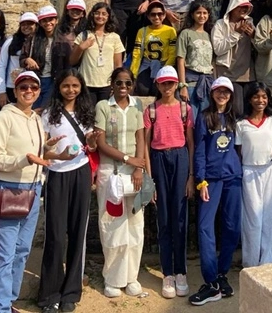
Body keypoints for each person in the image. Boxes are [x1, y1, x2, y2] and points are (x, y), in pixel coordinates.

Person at [0, 71, 62, 313]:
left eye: (33, 87)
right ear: (15, 90)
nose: (28, 91)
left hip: (33, 188)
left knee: (22, 251)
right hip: (9, 188)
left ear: (39, 91)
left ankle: (8, 300)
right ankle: (0, 307)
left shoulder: (36, 120)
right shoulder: (3, 118)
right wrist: (25, 160)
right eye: (23, 87)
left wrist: (47, 147)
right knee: (6, 253)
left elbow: (35, 154)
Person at [38, 70, 98, 313]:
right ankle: (49, 294)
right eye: (66, 85)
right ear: (58, 87)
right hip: (57, 174)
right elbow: (42, 150)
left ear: (81, 87)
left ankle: (71, 293)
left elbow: (91, 145)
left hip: (81, 173)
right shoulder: (48, 114)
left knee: (77, 232)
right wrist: (56, 154)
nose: (71, 90)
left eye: (75, 86)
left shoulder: (86, 112)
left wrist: (92, 143)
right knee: (54, 234)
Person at [95, 67, 148, 298]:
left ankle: (131, 277)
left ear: (132, 85)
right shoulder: (103, 107)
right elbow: (101, 143)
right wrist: (128, 159)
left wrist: (138, 167)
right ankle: (113, 278)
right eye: (119, 82)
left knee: (135, 225)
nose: (123, 87)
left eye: (128, 83)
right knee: (112, 224)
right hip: (111, 171)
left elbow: (140, 138)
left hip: (133, 172)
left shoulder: (137, 106)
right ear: (112, 84)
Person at [143, 66, 195, 300]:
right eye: (163, 83)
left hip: (180, 158)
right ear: (157, 84)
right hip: (159, 159)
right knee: (163, 218)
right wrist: (149, 178)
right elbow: (146, 145)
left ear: (176, 84)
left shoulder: (185, 109)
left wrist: (191, 176)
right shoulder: (151, 110)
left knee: (180, 217)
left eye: (171, 83)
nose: (167, 87)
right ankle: (167, 273)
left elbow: (191, 143)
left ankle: (181, 271)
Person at [190, 77, 242, 306]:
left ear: (231, 95)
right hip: (210, 179)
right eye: (219, 91)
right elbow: (200, 150)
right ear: (212, 93)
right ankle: (211, 281)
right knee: (205, 227)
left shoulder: (234, 118)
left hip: (233, 178)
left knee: (232, 227)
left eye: (226, 92)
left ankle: (221, 273)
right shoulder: (204, 117)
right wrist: (200, 181)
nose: (222, 95)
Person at [236, 83, 272, 268]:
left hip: (269, 171)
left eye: (264, 97)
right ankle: (251, 263)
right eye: (256, 97)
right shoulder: (241, 124)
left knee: (269, 218)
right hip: (249, 173)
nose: (260, 100)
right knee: (252, 220)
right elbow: (239, 153)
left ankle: (268, 263)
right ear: (250, 99)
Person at [70, 2, 126, 108]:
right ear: (92, 15)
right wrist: (81, 47)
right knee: (87, 113)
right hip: (86, 83)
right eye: (97, 13)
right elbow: (72, 61)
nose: (100, 16)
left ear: (108, 17)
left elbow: (118, 64)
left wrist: (116, 84)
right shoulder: (84, 35)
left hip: (107, 84)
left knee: (104, 114)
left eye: (104, 14)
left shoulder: (115, 37)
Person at [211, 0, 256, 116]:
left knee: (247, 112)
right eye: (240, 6)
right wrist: (235, 33)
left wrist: (253, 36)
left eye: (246, 7)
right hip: (228, 74)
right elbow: (218, 49)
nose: (243, 9)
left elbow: (258, 47)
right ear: (233, 6)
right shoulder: (220, 24)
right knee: (236, 111)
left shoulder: (249, 23)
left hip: (248, 75)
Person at [176, 0, 215, 118]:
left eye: (205, 13)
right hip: (191, 83)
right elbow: (180, 60)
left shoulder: (210, 34)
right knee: (191, 119)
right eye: (198, 12)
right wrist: (183, 86)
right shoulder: (186, 33)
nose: (202, 16)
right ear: (192, 14)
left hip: (207, 83)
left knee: (205, 120)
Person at [131, 1, 178, 96]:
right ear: (148, 16)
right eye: (153, 14)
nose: (156, 17)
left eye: (159, 14)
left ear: (164, 15)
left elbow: (172, 53)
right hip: (147, 65)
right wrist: (133, 74)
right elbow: (137, 53)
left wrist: (165, 69)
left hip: (163, 64)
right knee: (143, 90)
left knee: (158, 91)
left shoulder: (170, 31)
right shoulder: (142, 31)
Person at [22, 5, 59, 109]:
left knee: (45, 110)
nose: (48, 23)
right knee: (33, 109)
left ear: (56, 20)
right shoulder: (33, 38)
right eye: (44, 21)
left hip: (53, 81)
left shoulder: (63, 39)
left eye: (51, 20)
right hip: (36, 79)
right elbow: (22, 58)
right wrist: (27, 60)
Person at [0, 12, 38, 106]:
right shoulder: (11, 41)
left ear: (36, 25)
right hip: (12, 86)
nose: (26, 27)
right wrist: (2, 91)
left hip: (32, 86)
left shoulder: (40, 42)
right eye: (23, 24)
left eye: (30, 24)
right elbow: (2, 65)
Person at [52, 0, 88, 76]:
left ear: (83, 13)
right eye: (72, 9)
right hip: (63, 67)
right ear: (67, 11)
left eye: (78, 10)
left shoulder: (87, 30)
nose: (75, 11)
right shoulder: (59, 29)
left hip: (82, 67)